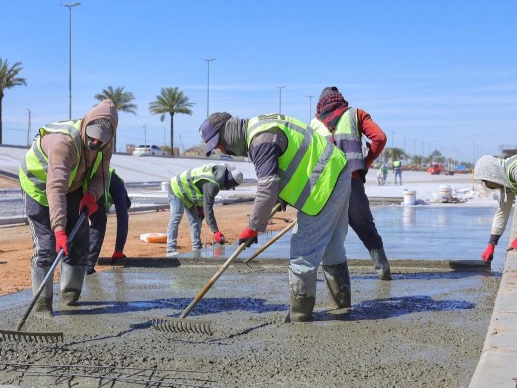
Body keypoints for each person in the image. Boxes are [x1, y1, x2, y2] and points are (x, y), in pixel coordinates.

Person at [200, 111, 351, 322]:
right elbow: (288, 164)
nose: (222, 150)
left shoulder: (260, 139)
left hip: (323, 186)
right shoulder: (260, 126)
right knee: (333, 247)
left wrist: (253, 227)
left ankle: (299, 317)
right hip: (338, 170)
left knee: (303, 252)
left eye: (219, 144)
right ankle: (342, 306)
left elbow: (266, 188)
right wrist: (280, 198)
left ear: (227, 131)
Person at [19, 99, 118, 315]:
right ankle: (42, 307)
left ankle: (69, 300)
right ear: (86, 126)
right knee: (47, 247)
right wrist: (59, 229)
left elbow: (101, 176)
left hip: (73, 185)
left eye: (100, 140)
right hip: (39, 186)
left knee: (80, 242)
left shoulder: (106, 145)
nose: (95, 143)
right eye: (91, 137)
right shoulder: (64, 143)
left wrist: (92, 195)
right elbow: (56, 187)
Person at [315, 86, 391, 280]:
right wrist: (366, 162)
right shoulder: (355, 115)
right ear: (340, 99)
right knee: (366, 228)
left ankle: (326, 279)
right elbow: (380, 138)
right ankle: (383, 272)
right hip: (351, 182)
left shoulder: (313, 125)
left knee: (324, 232)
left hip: (325, 188)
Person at [166, 164, 244, 256]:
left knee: (196, 220)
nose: (230, 188)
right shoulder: (213, 184)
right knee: (176, 217)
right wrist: (215, 231)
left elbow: (201, 191)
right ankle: (171, 250)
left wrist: (201, 208)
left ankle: (197, 248)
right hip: (176, 188)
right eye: (231, 186)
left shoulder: (217, 173)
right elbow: (208, 207)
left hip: (188, 192)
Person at [86, 167, 131, 275]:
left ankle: (75, 264)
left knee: (78, 222)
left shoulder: (114, 182)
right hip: (96, 182)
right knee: (98, 223)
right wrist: (118, 250)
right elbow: (122, 220)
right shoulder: (119, 188)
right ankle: (87, 266)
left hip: (85, 177)